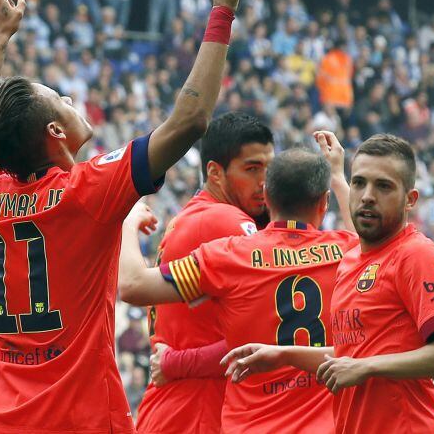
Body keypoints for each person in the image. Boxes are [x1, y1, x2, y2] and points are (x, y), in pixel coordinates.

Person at [0, 0, 252, 433]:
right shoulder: (87, 192)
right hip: (79, 417)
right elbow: (190, 121)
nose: (73, 101)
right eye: (62, 100)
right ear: (55, 133)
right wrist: (221, 10)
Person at [223, 134, 434, 434]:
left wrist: (367, 367)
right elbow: (352, 356)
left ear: (410, 200)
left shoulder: (416, 255)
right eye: (359, 183)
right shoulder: (352, 261)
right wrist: (283, 354)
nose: (367, 195)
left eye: (383, 186)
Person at [118, 140, 357, 433]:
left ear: (267, 196)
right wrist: (338, 177)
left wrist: (127, 223)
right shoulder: (348, 251)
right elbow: (368, 244)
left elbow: (133, 285)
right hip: (327, 425)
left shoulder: (229, 256)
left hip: (252, 424)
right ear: (324, 202)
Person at [123, 113, 275, 434]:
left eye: (268, 169)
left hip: (181, 406)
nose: (265, 182)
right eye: (252, 169)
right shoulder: (226, 223)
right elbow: (265, 333)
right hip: (198, 410)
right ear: (215, 172)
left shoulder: (198, 217)